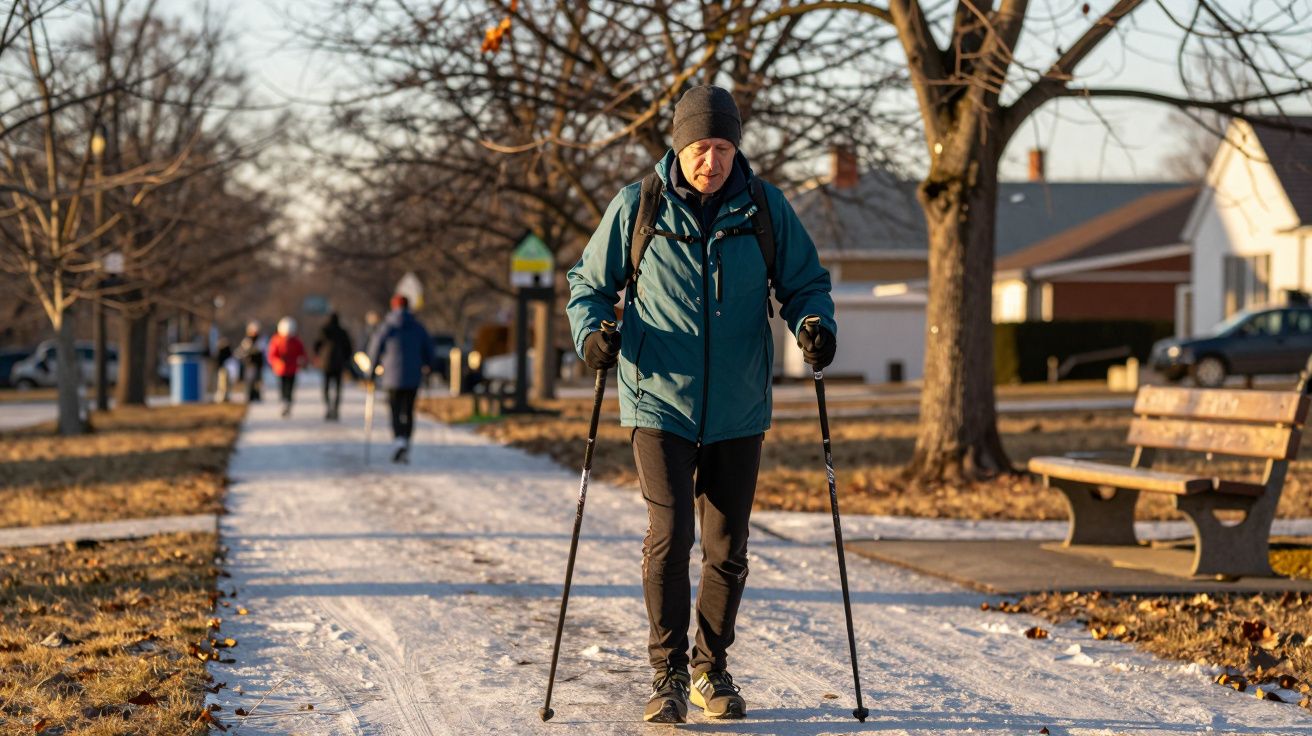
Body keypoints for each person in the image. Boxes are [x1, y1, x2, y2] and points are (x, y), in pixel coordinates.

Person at [566, 85, 836, 724]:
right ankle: (666, 675)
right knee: (671, 534)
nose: (709, 161)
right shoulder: (639, 207)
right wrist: (593, 334)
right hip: (657, 399)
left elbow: (805, 284)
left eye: (720, 147)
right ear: (678, 146)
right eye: (698, 148)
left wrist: (814, 324)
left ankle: (711, 670)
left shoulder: (765, 209)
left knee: (727, 545)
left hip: (739, 405)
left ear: (734, 147)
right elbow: (587, 285)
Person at [367, 295, 434, 463]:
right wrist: (429, 366)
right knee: (409, 410)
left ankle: (399, 441)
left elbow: (375, 349)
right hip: (413, 376)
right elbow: (429, 349)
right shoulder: (418, 327)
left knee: (395, 410)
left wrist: (371, 372)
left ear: (393, 306)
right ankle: (405, 441)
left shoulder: (387, 327)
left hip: (391, 377)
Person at [313, 312, 354, 420]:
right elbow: (349, 348)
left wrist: (318, 355)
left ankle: (328, 407)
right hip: (339, 363)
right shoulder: (343, 332)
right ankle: (335, 408)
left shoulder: (324, 330)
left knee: (326, 387)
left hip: (326, 363)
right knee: (337, 387)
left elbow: (317, 345)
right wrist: (346, 360)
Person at [267, 316, 308, 418]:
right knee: (282, 387)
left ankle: (288, 403)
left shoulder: (296, 341)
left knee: (290, 387)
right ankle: (284, 403)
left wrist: (302, 361)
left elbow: (302, 353)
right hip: (281, 369)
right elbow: (272, 355)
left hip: (292, 368)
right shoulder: (276, 340)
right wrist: (277, 362)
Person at [236, 321, 265, 402]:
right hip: (249, 364)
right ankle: (249, 396)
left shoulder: (261, 340)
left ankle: (257, 395)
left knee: (257, 381)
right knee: (249, 381)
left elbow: (261, 349)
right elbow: (242, 351)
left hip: (258, 364)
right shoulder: (247, 340)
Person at [213, 338, 233, 403]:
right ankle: (223, 397)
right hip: (223, 369)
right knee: (222, 385)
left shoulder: (224, 351)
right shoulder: (222, 351)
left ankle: (224, 397)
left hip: (224, 369)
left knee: (223, 385)